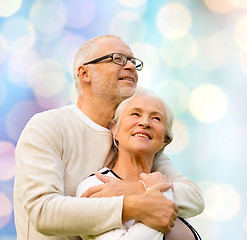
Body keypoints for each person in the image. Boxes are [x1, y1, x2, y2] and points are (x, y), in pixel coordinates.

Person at [13, 35, 204, 240]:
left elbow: (193, 197)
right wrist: (133, 205)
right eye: (118, 59)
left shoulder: (134, 138)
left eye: (133, 61)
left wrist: (135, 189)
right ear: (84, 73)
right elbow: (43, 212)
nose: (130, 66)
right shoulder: (49, 126)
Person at [76, 88, 201, 240]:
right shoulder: (96, 185)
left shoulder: (165, 182)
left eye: (156, 118)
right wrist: (159, 194)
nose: (144, 122)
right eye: (135, 114)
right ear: (115, 129)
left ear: (164, 140)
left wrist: (145, 188)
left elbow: (196, 200)